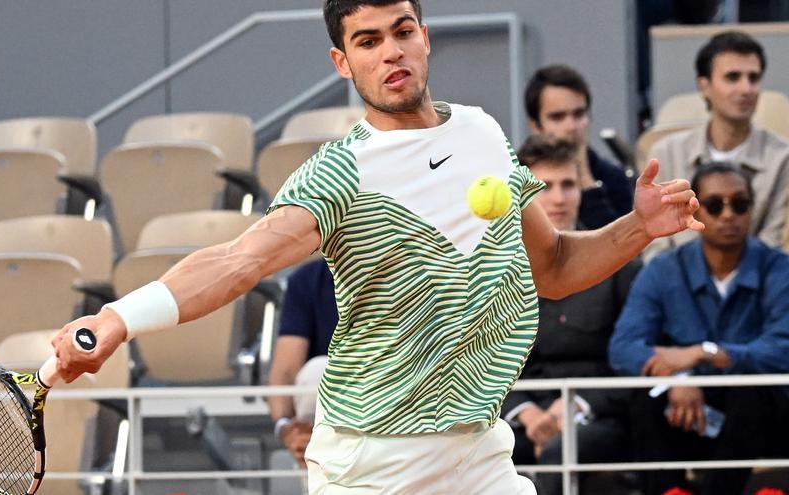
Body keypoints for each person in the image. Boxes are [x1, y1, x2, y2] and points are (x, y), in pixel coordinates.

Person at [52, 1, 702, 493]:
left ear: (425, 36)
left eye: (401, 31)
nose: (390, 52)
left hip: (476, 447)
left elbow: (555, 266)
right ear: (343, 62)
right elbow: (236, 261)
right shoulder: (340, 173)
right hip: (373, 459)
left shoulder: (480, 131)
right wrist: (116, 318)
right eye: (368, 41)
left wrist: (639, 226)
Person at [609, 163, 789, 495]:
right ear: (696, 208)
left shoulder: (780, 269)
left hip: (763, 418)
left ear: (752, 209)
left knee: (753, 392)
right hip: (687, 411)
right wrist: (678, 377)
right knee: (644, 399)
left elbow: (782, 349)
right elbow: (623, 347)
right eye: (715, 204)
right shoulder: (663, 269)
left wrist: (706, 354)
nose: (728, 215)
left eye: (740, 204)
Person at [504, 135, 640, 495]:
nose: (559, 198)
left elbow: (632, 360)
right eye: (544, 186)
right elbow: (478, 361)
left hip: (599, 418)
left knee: (558, 451)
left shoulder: (617, 264)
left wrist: (575, 406)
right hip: (517, 416)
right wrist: (525, 411)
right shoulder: (491, 271)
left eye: (569, 185)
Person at [645, 31, 789, 258]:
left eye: (753, 78)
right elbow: (655, 241)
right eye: (733, 77)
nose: (746, 89)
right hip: (676, 282)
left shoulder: (782, 157)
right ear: (705, 86)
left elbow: (772, 244)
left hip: (754, 285)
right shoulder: (666, 153)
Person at [525, 64, 634, 229]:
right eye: (557, 117)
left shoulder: (613, 177)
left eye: (578, 114)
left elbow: (620, 246)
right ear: (535, 126)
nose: (571, 126)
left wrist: (585, 178)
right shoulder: (515, 175)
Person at [268, 258, 337, 469]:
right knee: (317, 372)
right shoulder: (307, 279)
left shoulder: (412, 272)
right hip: (331, 406)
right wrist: (287, 428)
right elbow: (286, 371)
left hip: (395, 392)